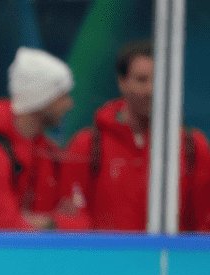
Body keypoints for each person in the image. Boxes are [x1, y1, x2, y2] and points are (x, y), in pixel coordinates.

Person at [61, 40, 210, 232]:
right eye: (141, 80)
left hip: (169, 253)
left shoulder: (192, 146)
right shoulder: (87, 144)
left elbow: (204, 224)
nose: (151, 90)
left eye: (160, 80)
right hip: (105, 252)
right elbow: (73, 219)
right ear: (122, 82)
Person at [0, 47, 87, 230]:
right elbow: (5, 231)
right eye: (63, 96)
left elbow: (84, 225)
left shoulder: (50, 153)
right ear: (41, 97)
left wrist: (47, 223)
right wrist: (54, 223)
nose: (70, 104)